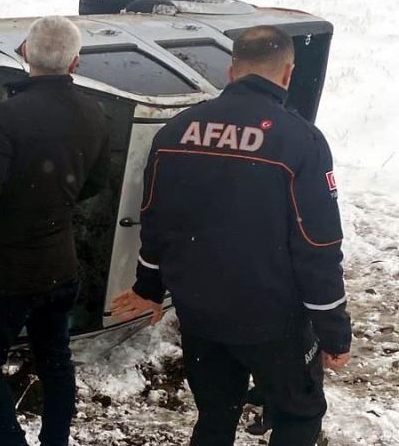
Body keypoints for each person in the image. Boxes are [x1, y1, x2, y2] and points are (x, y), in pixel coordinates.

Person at [110, 25, 352, 446]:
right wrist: (333, 331)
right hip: (274, 321)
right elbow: (318, 245)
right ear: (288, 74)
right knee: (299, 414)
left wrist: (149, 288)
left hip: (200, 314)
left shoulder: (175, 132)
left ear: (231, 71)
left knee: (215, 416)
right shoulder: (301, 141)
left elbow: (155, 220)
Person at [0, 16, 111, 446]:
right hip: (60, 266)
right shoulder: (94, 114)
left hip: (7, 269)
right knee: (55, 360)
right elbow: (97, 183)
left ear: (25, 52)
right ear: (76, 63)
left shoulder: (6, 117)